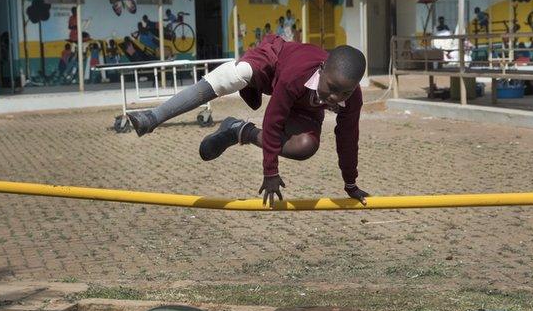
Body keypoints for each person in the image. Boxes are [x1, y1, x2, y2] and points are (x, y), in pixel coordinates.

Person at [126, 35, 369, 206]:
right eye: (332, 88)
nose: (336, 97)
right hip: (275, 63)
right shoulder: (297, 73)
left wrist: (350, 183)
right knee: (236, 74)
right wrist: (270, 171)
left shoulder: (351, 98)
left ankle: (238, 130)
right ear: (322, 68)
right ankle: (152, 117)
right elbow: (274, 120)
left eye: (345, 92)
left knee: (306, 147)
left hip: (304, 106)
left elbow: (348, 139)